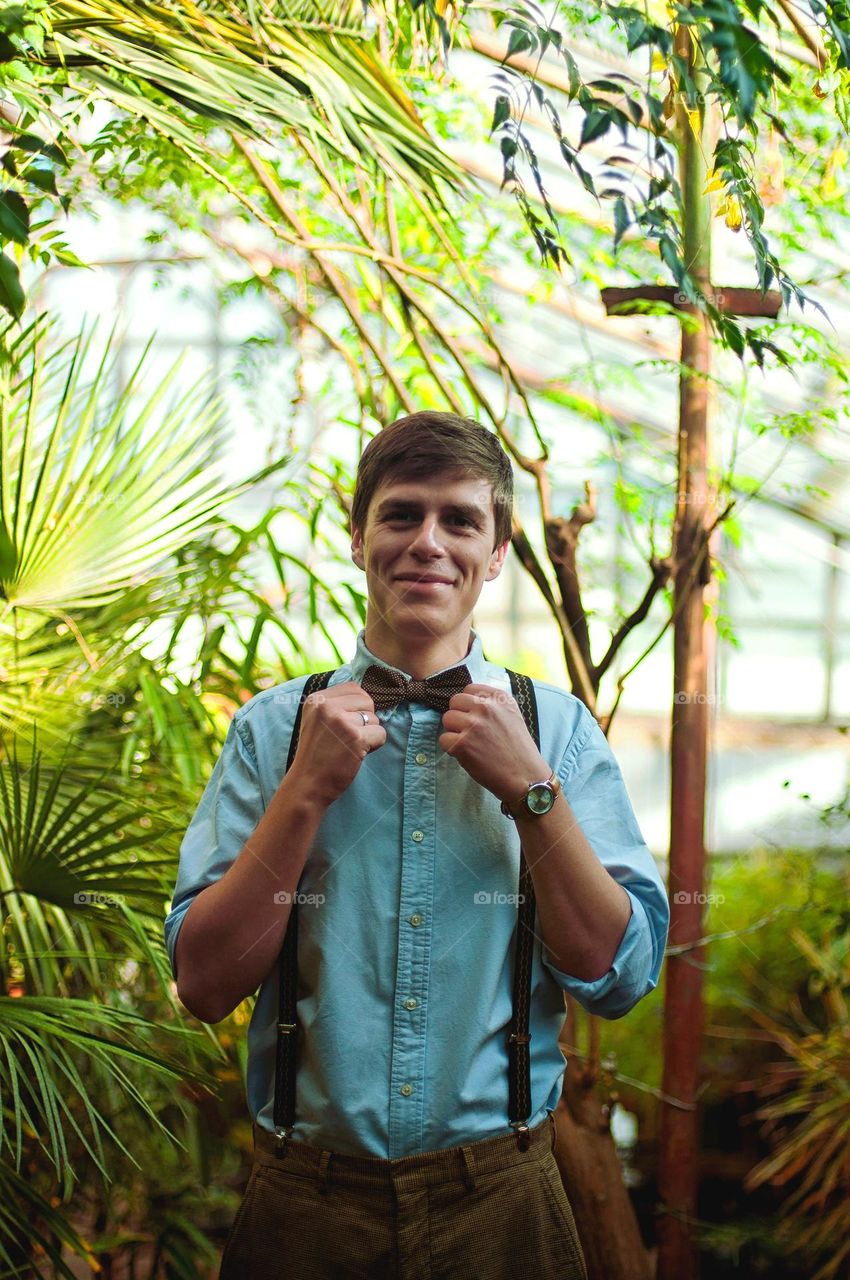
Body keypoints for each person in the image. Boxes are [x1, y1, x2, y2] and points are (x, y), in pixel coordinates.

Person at [164, 410, 670, 1280]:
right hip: (304, 1211)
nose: (427, 542)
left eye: (460, 519)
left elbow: (618, 977)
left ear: (499, 552)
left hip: (503, 1208)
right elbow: (205, 984)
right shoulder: (272, 731)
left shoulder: (559, 733)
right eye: (400, 515)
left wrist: (532, 792)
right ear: (358, 538)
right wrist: (306, 791)